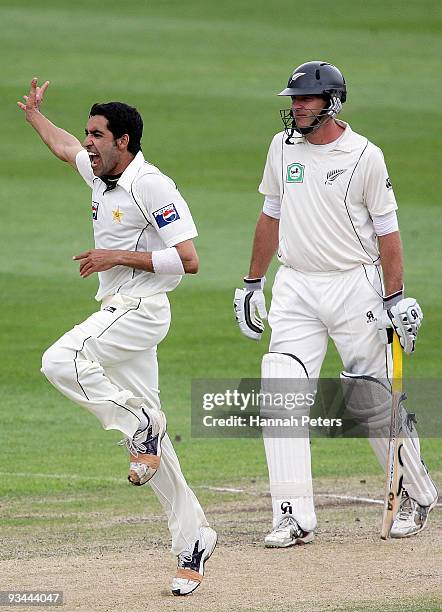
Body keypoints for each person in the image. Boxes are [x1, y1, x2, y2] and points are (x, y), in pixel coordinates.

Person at [18, 78, 216, 595]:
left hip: (142, 308)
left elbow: (190, 260)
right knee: (158, 454)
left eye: (97, 135)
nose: (87, 143)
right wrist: (35, 116)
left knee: (60, 360)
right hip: (120, 309)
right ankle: (194, 540)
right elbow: (63, 147)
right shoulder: (98, 174)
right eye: (87, 132)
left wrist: (115, 256)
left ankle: (137, 422)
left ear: (123, 140)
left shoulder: (151, 185)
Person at [234, 61, 437, 546]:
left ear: (332, 102)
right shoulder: (282, 148)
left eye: (305, 100)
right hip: (297, 284)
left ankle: (412, 492)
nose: (296, 107)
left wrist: (396, 297)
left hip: (354, 285)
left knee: (367, 394)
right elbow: (271, 214)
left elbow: (388, 232)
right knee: (279, 386)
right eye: (293, 100)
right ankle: (291, 514)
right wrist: (252, 282)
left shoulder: (365, 155)